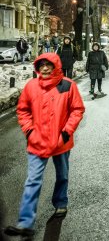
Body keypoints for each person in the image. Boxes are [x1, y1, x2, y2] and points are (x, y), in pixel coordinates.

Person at [4, 53, 85, 239]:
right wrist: (30, 132)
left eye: (49, 65)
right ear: (37, 68)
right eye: (42, 66)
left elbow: (77, 110)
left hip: (60, 142)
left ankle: (60, 202)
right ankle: (26, 224)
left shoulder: (67, 85)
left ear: (55, 66)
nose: (45, 69)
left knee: (62, 175)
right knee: (32, 181)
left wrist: (65, 133)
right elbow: (23, 110)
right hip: (37, 142)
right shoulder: (31, 86)